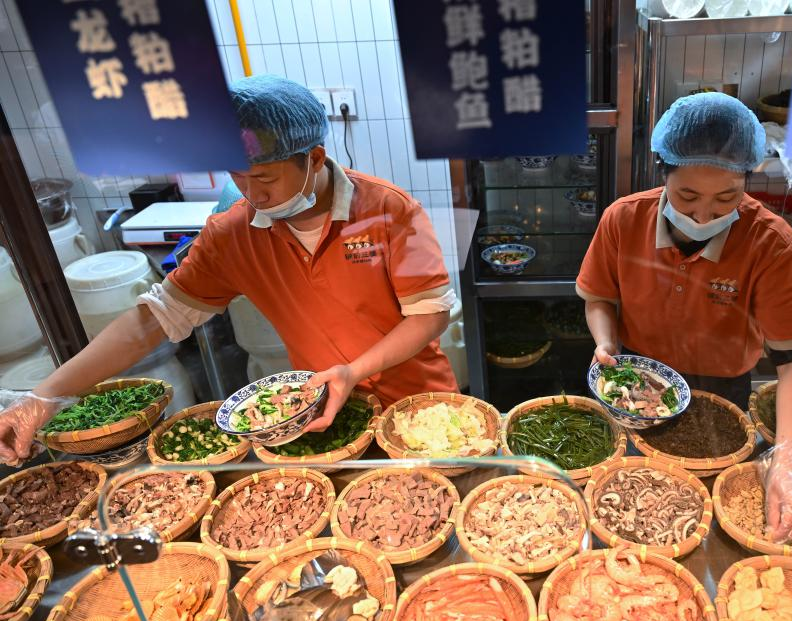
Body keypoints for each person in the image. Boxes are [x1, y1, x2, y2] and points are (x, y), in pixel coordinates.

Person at [0, 74, 457, 464]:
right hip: (321, 417)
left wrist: (352, 371)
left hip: (421, 410)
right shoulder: (232, 234)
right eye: (238, 178)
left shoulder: (390, 210)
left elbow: (430, 315)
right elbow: (153, 320)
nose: (252, 194)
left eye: (265, 178)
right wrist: (43, 397)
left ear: (315, 158)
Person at [576, 92, 792, 543]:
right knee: (634, 506)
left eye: (727, 197)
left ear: (747, 180)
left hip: (721, 394)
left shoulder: (772, 243)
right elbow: (599, 298)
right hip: (637, 385)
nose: (704, 214)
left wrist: (789, 459)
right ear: (662, 172)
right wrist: (606, 343)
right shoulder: (623, 220)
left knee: (705, 519)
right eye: (687, 196)